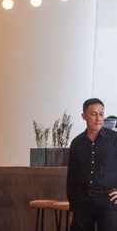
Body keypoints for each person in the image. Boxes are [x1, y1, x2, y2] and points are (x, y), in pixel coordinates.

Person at [67, 98, 117, 231]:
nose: (98, 118)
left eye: (101, 114)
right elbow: (72, 178)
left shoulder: (114, 139)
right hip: (82, 202)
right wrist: (72, 208)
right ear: (84, 116)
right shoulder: (77, 143)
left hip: (108, 201)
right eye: (93, 114)